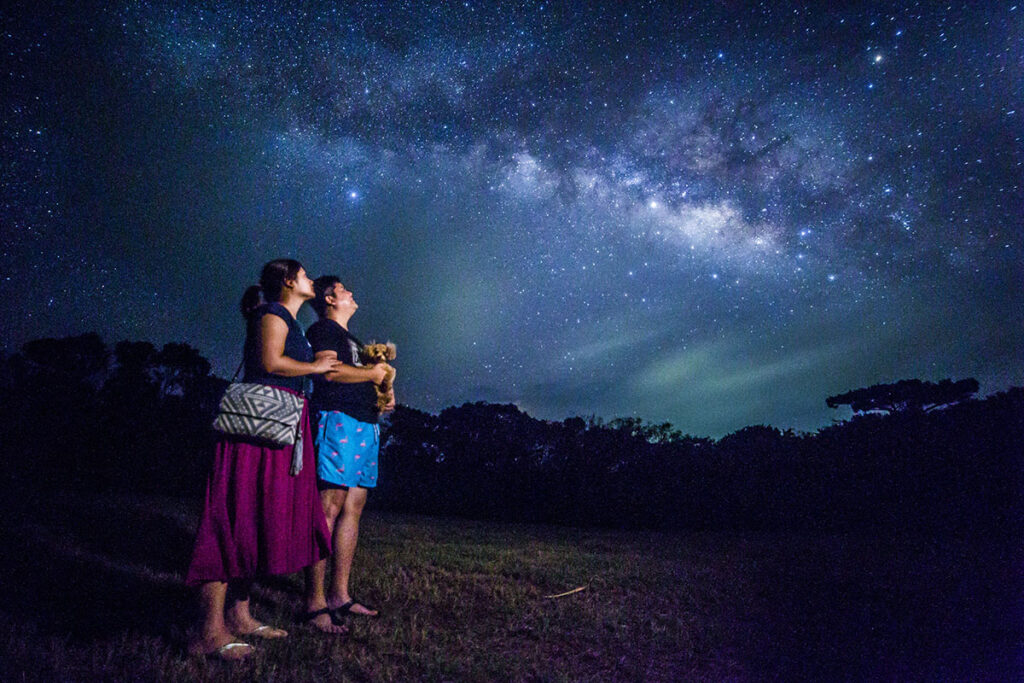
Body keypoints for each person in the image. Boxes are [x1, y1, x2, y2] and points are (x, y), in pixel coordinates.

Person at [186, 259, 341, 660]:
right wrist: (315, 366)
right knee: (233, 518)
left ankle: (239, 616)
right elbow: (271, 363)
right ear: (289, 281)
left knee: (254, 520)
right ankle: (207, 631)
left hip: (282, 428)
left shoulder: (293, 322)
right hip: (257, 430)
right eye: (305, 274)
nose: (311, 279)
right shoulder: (272, 313)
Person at [302, 275, 394, 631]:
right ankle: (315, 602)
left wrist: (382, 394)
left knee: (353, 506)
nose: (352, 292)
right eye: (344, 290)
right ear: (329, 297)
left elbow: (362, 375)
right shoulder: (324, 330)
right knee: (329, 506)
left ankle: (340, 594)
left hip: (365, 425)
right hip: (337, 422)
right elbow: (330, 371)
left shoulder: (352, 339)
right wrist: (371, 374)